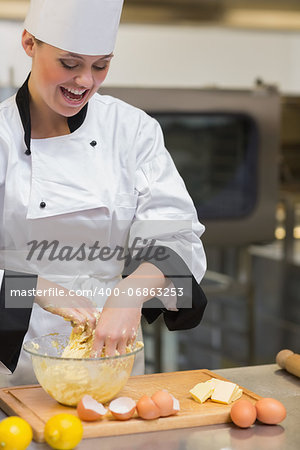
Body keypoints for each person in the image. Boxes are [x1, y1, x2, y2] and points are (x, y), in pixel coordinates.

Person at [0, 0, 207, 387]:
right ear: (29, 43)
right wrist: (32, 285)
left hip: (114, 357)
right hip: (12, 369)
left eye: (101, 65)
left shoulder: (132, 131)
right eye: (69, 63)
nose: (84, 82)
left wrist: (130, 292)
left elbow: (180, 239)